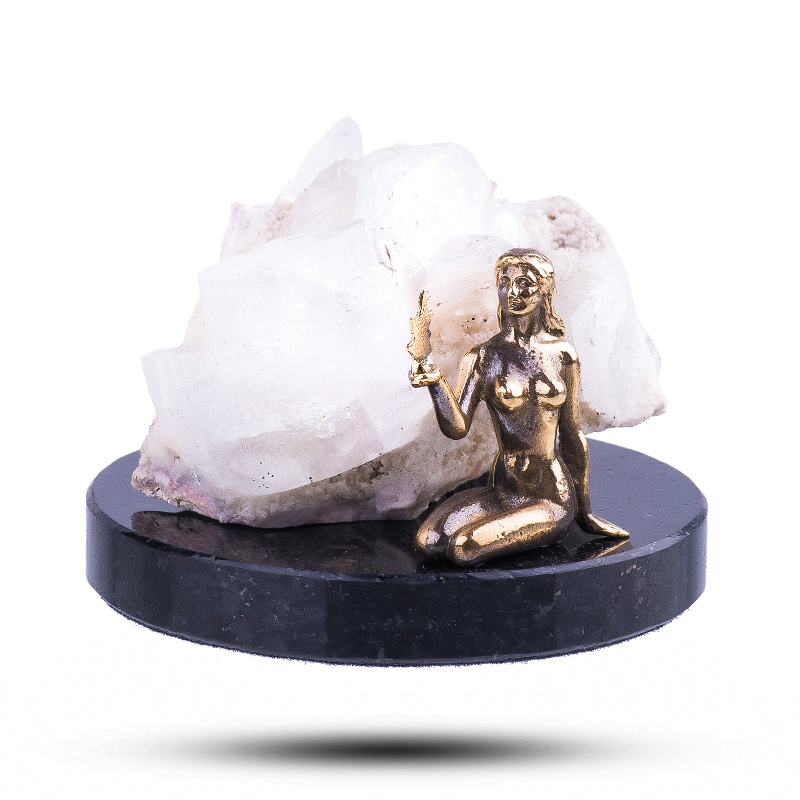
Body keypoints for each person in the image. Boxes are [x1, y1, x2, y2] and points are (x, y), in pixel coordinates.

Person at [409, 248, 628, 566]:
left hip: (550, 496)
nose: (513, 292)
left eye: (525, 283)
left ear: (544, 291)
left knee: (464, 548)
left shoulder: (562, 355)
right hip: (503, 490)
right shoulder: (483, 357)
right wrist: (434, 381)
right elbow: (457, 428)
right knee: (429, 541)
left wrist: (586, 514)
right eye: (505, 282)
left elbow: (572, 434)